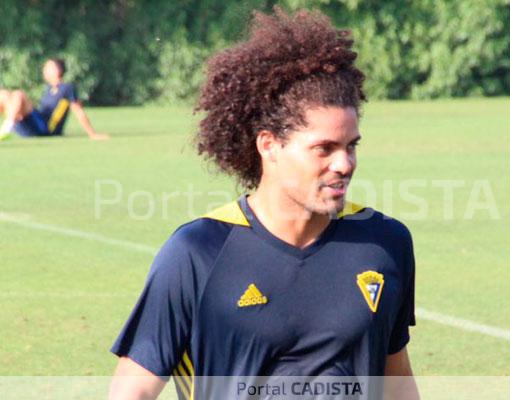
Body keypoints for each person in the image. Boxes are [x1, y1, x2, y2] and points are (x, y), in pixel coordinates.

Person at [109, 7, 418, 400]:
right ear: (269, 145)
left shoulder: (384, 243)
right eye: (324, 148)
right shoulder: (198, 253)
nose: (344, 164)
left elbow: (397, 380)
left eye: (350, 146)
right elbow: (131, 391)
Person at [0, 58, 108, 141]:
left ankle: (6, 128)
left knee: (19, 94)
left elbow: (78, 111)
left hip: (47, 129)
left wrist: (92, 134)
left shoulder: (67, 88)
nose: (44, 69)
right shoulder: (48, 88)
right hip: (36, 124)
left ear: (56, 70)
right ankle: (8, 125)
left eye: (47, 67)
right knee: (3, 94)